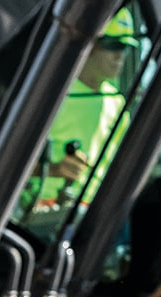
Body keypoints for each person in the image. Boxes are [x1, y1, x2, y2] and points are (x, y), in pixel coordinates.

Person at [20, 8, 138, 224]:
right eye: (113, 45)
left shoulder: (118, 104)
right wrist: (53, 170)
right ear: (90, 45)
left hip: (91, 216)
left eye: (125, 48)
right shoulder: (50, 94)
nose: (119, 56)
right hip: (36, 212)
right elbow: (8, 162)